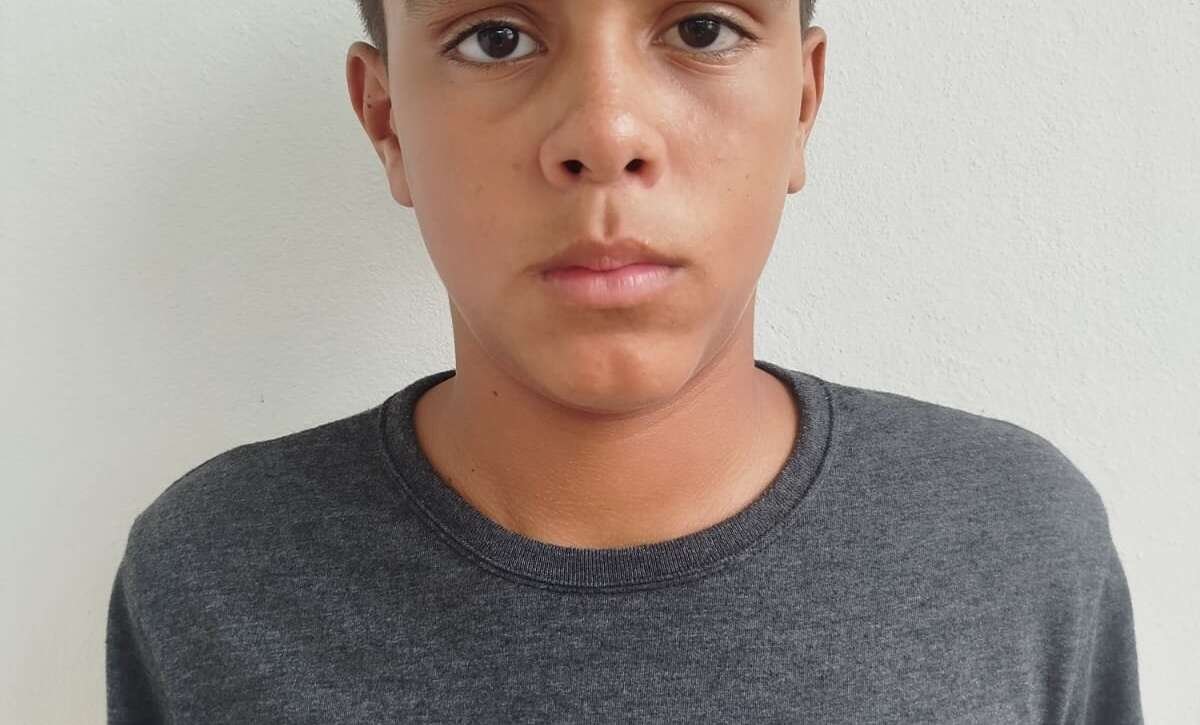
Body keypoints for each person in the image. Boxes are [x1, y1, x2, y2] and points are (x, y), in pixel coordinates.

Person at [106, 1, 1143, 722]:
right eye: (497, 38)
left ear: (802, 101)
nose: (604, 133)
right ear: (387, 120)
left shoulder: (1015, 544)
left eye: (702, 29)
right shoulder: (214, 572)